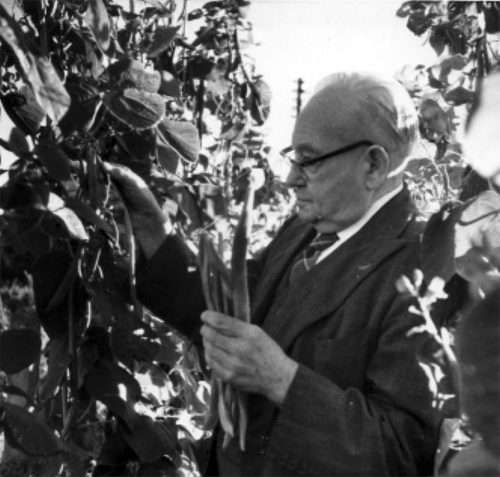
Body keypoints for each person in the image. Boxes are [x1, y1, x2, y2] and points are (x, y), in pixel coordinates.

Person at [106, 71, 454, 476]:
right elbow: (231, 311)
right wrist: (154, 230)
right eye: (294, 157)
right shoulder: (305, 229)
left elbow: (401, 453)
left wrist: (283, 380)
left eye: (309, 160)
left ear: (373, 165)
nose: (290, 179)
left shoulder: (427, 265)